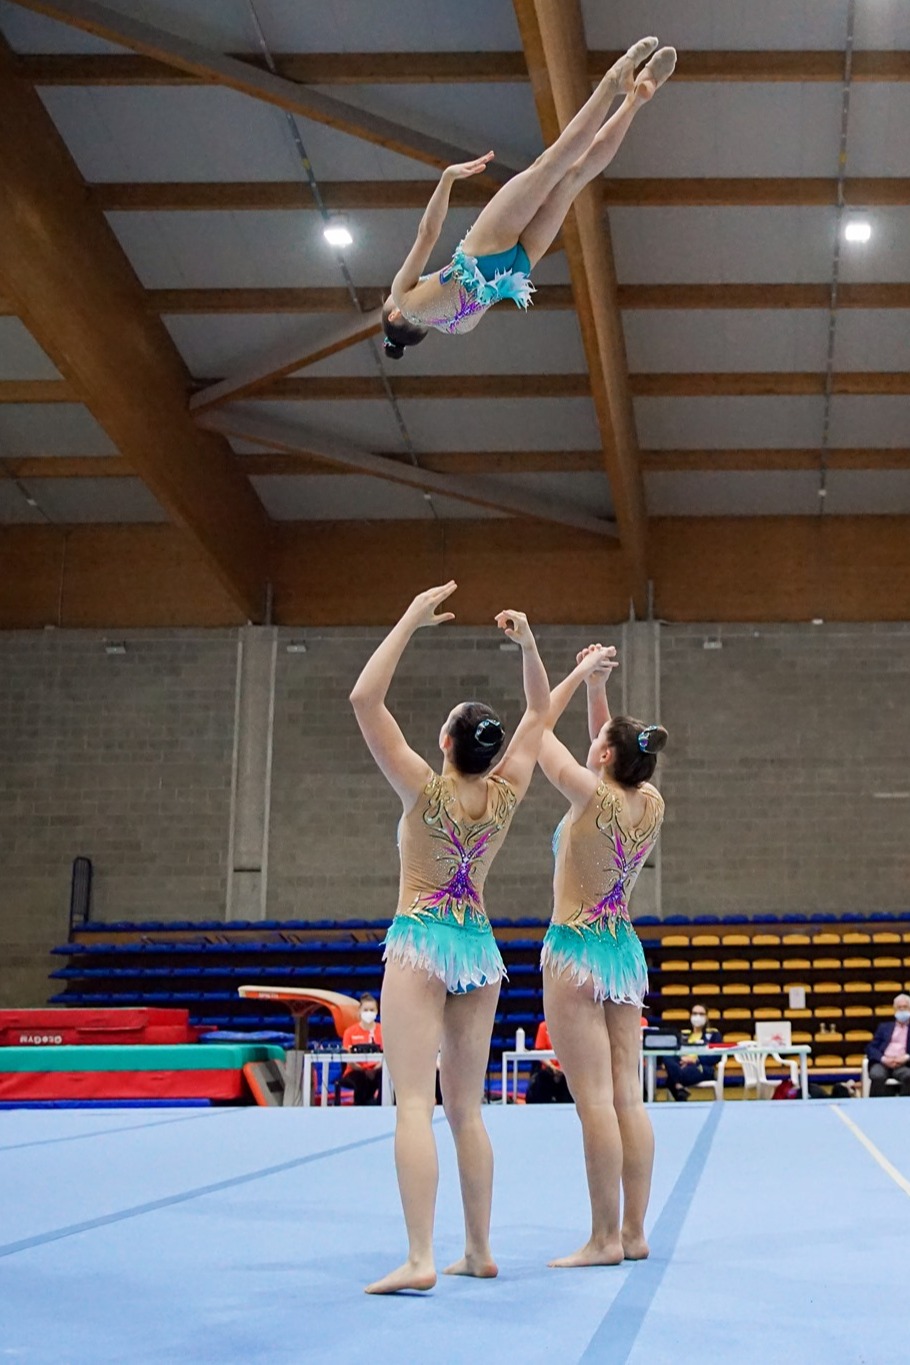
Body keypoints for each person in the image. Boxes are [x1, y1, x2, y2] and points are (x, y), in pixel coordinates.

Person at [349, 582, 549, 1294]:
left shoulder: (423, 788)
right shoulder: (506, 791)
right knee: (467, 1107)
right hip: (480, 951)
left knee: (411, 1101)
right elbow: (540, 712)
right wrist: (528, 646)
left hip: (423, 938)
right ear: (491, 754)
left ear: (444, 743)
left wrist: (408, 616)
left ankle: (420, 1255)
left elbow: (364, 700)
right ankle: (479, 1247)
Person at [381, 37, 676, 356]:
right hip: (481, 255)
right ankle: (612, 82)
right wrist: (447, 178)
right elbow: (428, 234)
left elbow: (462, 294)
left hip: (515, 271)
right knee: (551, 166)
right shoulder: (403, 299)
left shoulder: (456, 327)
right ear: (396, 314)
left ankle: (637, 99)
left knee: (575, 179)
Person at [537, 642, 667, 1266]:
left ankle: (602, 1239)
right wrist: (598, 695)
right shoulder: (649, 804)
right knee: (627, 1098)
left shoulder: (590, 797)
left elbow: (536, 731)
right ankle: (636, 1234)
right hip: (622, 952)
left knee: (593, 1101)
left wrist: (576, 674)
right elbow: (607, 751)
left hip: (575, 952)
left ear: (606, 758)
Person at [664, 1004, 723, 1101]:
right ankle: (679, 1088)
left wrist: (695, 1060)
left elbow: (717, 1056)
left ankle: (678, 1087)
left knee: (671, 1079)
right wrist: (682, 1060)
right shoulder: (684, 1034)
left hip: (702, 1067)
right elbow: (676, 1052)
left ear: (707, 1017)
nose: (697, 1016)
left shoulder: (713, 1034)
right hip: (682, 1065)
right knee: (667, 1057)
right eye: (695, 1013)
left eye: (701, 1014)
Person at [340, 993, 383, 1106]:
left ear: (377, 1011)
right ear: (359, 1011)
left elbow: (388, 1056)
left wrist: (374, 1069)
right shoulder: (350, 1032)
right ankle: (360, 1108)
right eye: (366, 1010)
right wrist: (364, 1070)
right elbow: (348, 1059)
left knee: (386, 1078)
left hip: (378, 1069)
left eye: (372, 1010)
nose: (369, 1013)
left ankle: (382, 1107)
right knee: (360, 1080)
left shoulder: (383, 1030)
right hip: (356, 1070)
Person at [867, 994, 910, 1097]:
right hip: (883, 1063)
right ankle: (875, 1106)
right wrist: (883, 1059)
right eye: (899, 1008)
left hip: (903, 1065)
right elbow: (871, 1048)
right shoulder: (884, 1027)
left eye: (905, 1007)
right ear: (894, 1010)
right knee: (877, 1075)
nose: (902, 1010)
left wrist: (906, 1057)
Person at [525, 1017, 573, 1104]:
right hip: (548, 1070)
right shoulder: (543, 1027)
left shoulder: (571, 1027)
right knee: (542, 1080)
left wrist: (563, 1069)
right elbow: (540, 1051)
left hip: (567, 1071)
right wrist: (552, 1067)